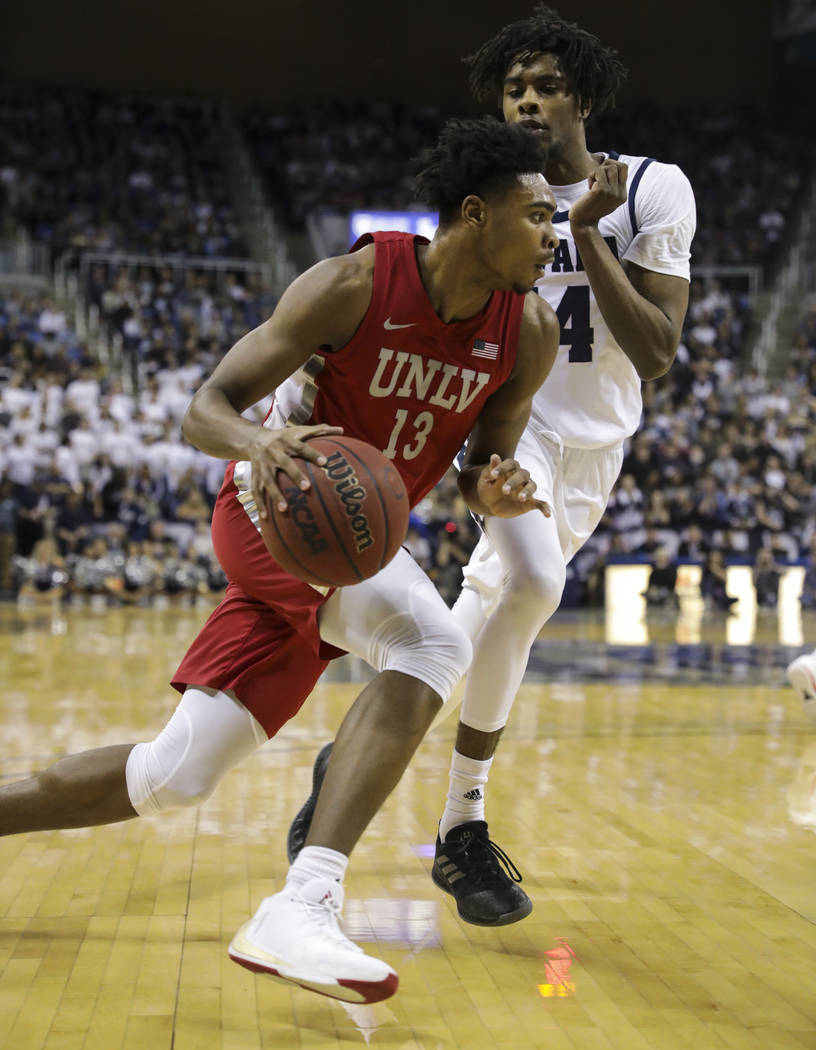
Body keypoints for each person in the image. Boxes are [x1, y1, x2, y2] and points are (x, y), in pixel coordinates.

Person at [0, 118, 560, 1004]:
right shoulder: (352, 284)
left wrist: (489, 493)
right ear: (474, 213)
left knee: (172, 777)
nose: (552, 237)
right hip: (270, 507)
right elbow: (204, 409)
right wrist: (258, 445)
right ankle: (305, 902)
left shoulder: (528, 332)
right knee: (433, 646)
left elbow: (480, 464)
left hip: (351, 544)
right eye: (537, 217)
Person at [288, 4, 696, 928]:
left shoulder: (654, 189)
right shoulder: (488, 194)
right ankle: (463, 824)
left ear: (583, 95)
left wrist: (589, 233)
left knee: (486, 610)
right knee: (535, 580)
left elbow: (661, 349)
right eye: (514, 87)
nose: (528, 100)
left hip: (598, 444)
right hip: (509, 429)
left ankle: (373, 754)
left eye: (547, 85)